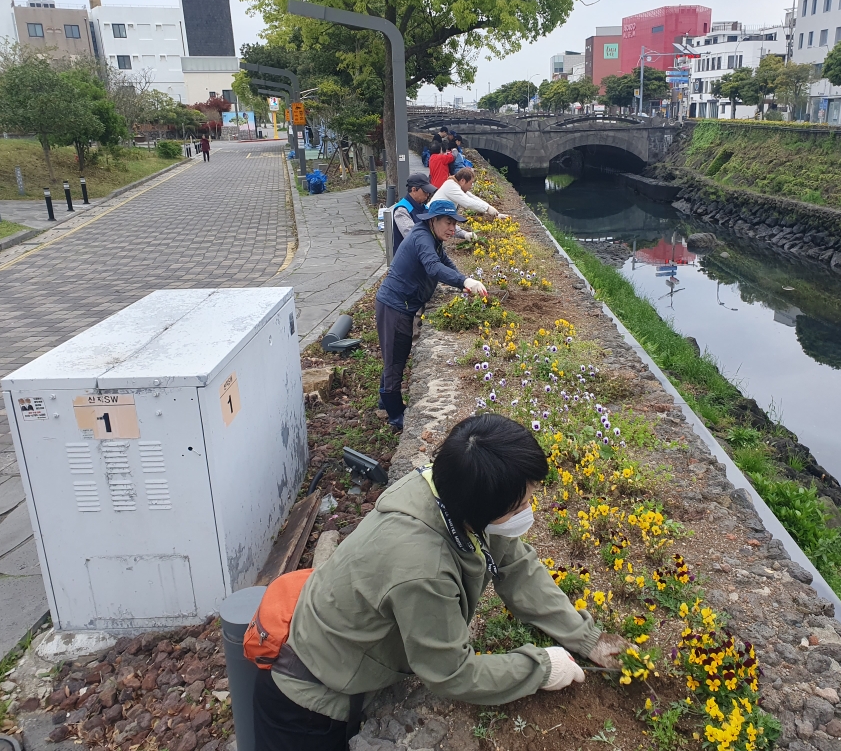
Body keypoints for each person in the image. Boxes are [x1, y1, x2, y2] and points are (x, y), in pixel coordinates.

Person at [253, 413, 628, 751]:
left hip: (341, 663)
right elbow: (451, 673)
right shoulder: (422, 568)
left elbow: (516, 565)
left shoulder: (448, 488)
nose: (526, 514)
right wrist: (541, 668)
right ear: (483, 509)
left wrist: (586, 638)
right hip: (307, 709)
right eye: (517, 508)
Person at [375, 200, 486, 430]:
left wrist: (463, 282)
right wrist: (465, 281)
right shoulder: (422, 237)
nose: (452, 229)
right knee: (396, 359)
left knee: (395, 355)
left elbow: (445, 263)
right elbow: (434, 268)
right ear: (433, 220)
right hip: (395, 305)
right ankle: (396, 415)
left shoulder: (433, 238)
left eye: (455, 224)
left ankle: (384, 401)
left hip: (402, 305)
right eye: (448, 222)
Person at [430, 168, 508, 242]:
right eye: (471, 183)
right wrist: (487, 208)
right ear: (463, 181)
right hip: (431, 217)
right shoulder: (451, 187)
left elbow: (473, 198)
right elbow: (467, 202)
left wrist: (494, 212)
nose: (471, 187)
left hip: (438, 220)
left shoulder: (456, 185)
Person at [391, 172, 436, 255]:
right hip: (406, 259)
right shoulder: (401, 210)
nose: (428, 194)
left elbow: (439, 223)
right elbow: (412, 235)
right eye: (425, 191)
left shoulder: (423, 207)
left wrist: (464, 234)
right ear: (414, 190)